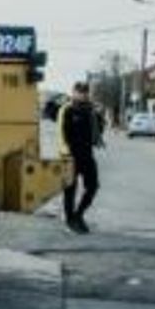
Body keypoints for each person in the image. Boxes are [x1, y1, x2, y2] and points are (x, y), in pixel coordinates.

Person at [59, 81, 102, 233]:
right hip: (69, 155)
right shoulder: (68, 109)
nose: (83, 94)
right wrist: (66, 152)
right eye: (80, 91)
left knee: (93, 186)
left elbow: (98, 132)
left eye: (85, 91)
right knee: (70, 189)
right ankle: (70, 220)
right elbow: (62, 133)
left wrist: (98, 116)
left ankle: (78, 215)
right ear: (73, 92)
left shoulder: (91, 111)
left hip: (87, 154)